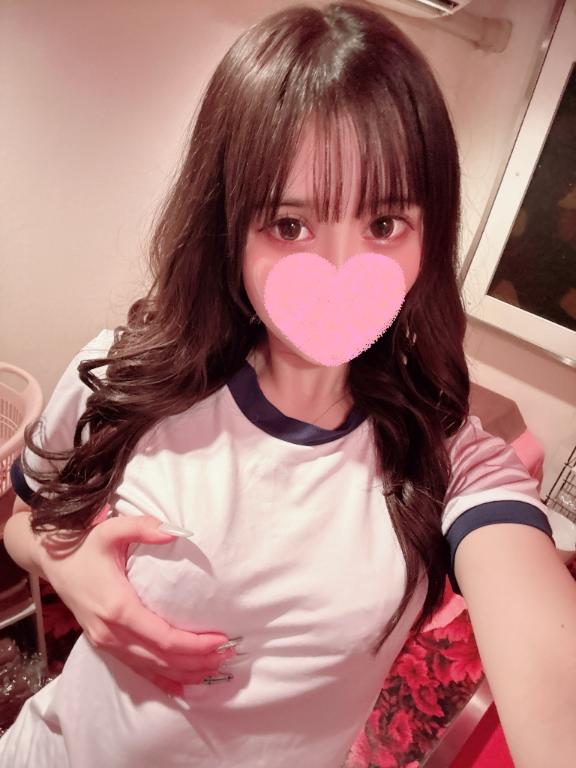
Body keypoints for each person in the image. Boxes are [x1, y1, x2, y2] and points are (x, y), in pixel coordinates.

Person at [2, 2, 575, 766]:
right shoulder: (127, 374)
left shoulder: (445, 457)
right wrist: (63, 566)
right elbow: (23, 516)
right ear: (229, 225)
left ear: (429, 233)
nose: (340, 273)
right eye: (290, 225)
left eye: (383, 225)